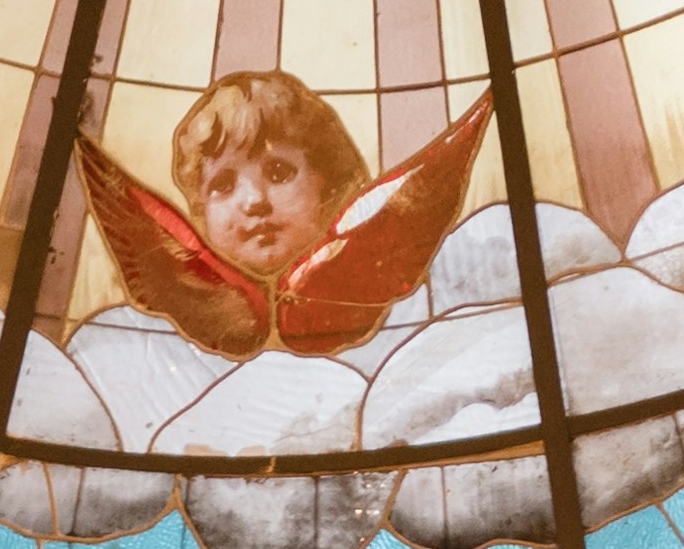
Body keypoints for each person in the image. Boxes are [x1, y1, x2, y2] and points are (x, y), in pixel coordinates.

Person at [76, 72, 493, 354]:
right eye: (223, 185)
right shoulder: (141, 344)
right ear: (198, 216)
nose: (253, 200)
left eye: (278, 172)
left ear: (332, 187)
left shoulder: (415, 321)